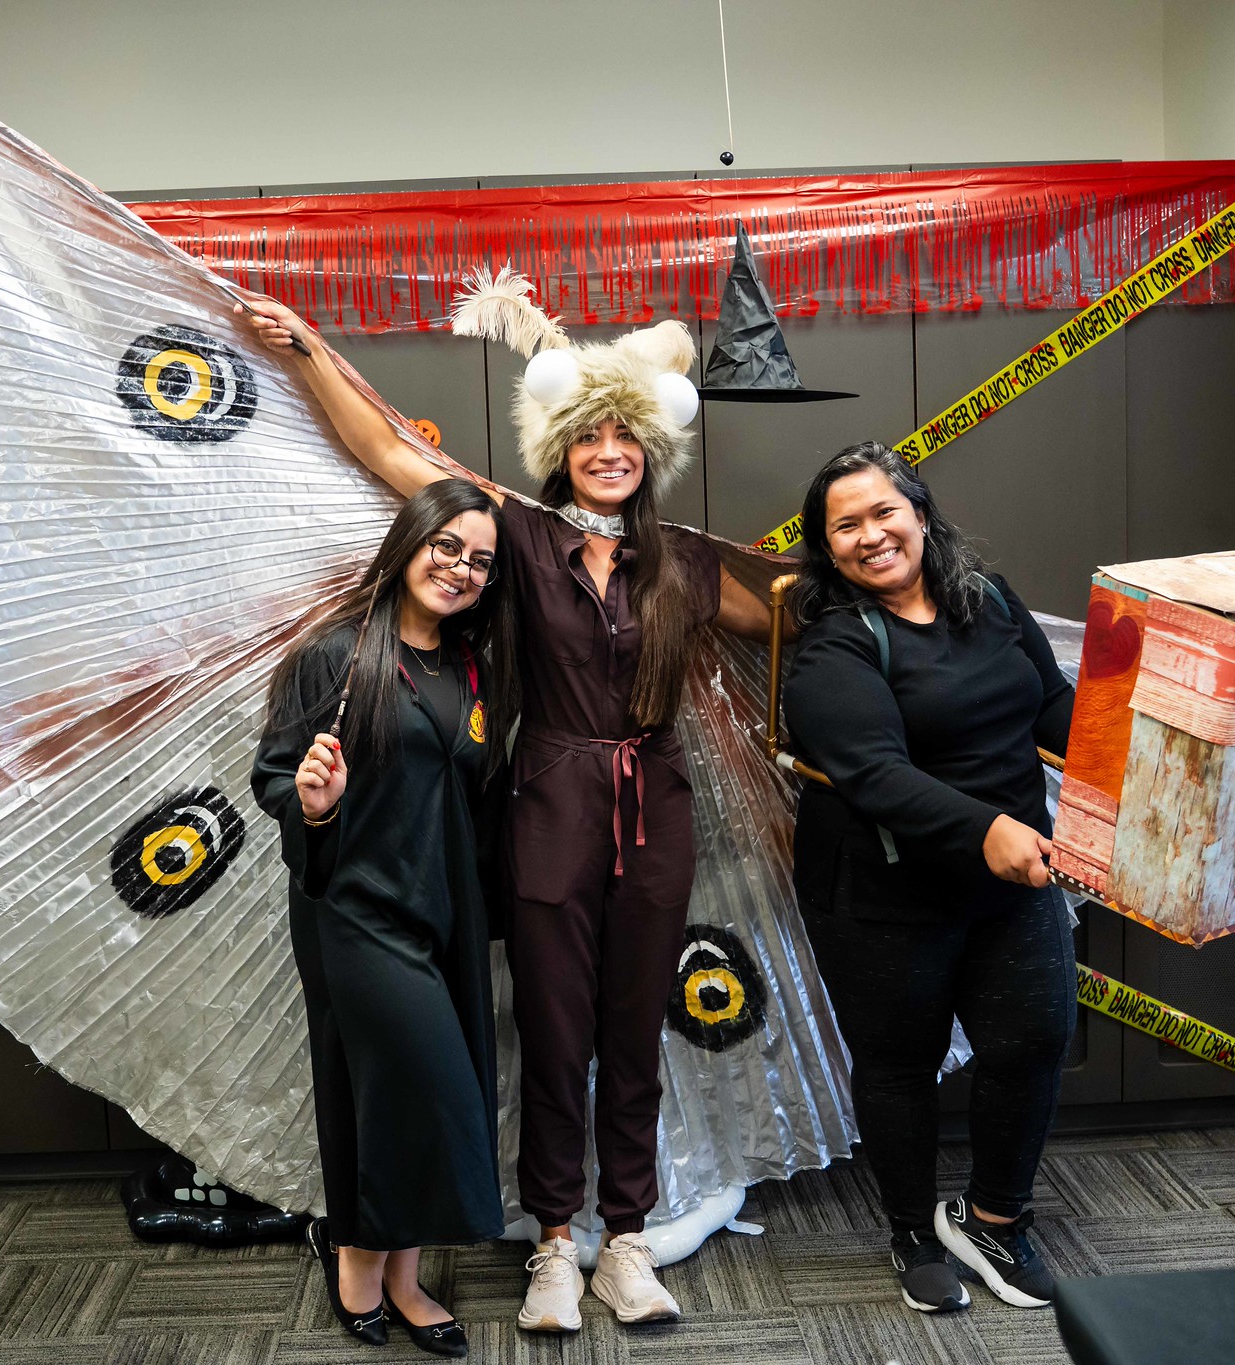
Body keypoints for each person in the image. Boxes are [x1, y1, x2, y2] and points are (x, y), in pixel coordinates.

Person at [241, 278, 770, 1333]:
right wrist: (308, 352)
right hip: (548, 806)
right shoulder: (515, 538)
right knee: (552, 1031)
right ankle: (555, 1244)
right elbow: (386, 453)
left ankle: (626, 1240)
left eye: (627, 435)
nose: (609, 451)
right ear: (561, 447)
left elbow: (798, 614)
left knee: (634, 1032)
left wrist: (917, 589)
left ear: (653, 449)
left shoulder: (688, 561)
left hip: (655, 809)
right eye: (591, 435)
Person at [781, 441, 1077, 1314]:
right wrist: (988, 829)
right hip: (883, 893)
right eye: (846, 525)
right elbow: (876, 775)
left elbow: (1051, 705)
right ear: (827, 547)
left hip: (1010, 879)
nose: (871, 535)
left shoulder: (989, 599)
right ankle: (913, 1229)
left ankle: (993, 1218)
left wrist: (1138, 748)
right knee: (899, 1064)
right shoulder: (833, 646)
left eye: (884, 511)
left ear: (919, 513)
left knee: (1034, 1038)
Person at [253, 478, 519, 1357]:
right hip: (357, 909)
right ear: (410, 542)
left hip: (446, 909)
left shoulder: (472, 667)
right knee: (421, 1088)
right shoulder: (337, 655)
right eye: (448, 546)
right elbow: (274, 774)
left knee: (413, 1096)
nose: (461, 568)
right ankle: (359, 1260)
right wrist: (314, 803)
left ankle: (404, 1277)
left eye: (481, 560)